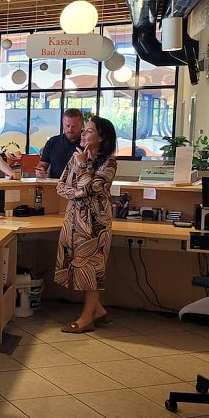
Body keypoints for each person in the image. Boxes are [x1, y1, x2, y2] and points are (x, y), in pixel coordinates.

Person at [55, 116, 118, 333]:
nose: (83, 134)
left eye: (89, 131)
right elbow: (60, 186)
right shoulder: (75, 158)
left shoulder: (109, 164)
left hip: (95, 226)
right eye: (85, 131)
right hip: (73, 220)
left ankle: (87, 318)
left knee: (91, 271)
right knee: (77, 268)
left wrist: (83, 167)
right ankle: (99, 311)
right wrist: (79, 192)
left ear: (101, 137)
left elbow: (92, 188)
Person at [36, 108, 83, 179]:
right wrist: (40, 171)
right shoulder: (53, 142)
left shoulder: (88, 143)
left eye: (73, 127)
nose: (70, 130)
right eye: (67, 126)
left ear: (81, 125)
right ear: (62, 124)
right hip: (55, 185)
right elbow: (42, 165)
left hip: (80, 186)